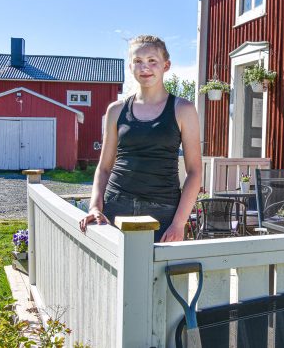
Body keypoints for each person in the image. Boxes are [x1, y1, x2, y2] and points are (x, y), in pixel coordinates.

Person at [79, 35, 201, 242]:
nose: (145, 67)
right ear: (130, 67)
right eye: (138, 61)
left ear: (166, 65)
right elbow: (104, 167)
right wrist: (95, 207)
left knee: (158, 265)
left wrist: (178, 223)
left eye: (152, 60)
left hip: (163, 212)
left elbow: (195, 171)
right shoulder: (116, 110)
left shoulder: (183, 109)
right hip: (116, 206)